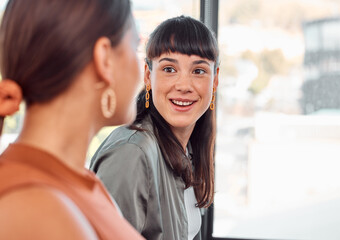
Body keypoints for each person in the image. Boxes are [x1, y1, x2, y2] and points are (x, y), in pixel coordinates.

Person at [0, 0, 144, 239]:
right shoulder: (40, 210)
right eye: (136, 46)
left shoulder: (80, 182)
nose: (141, 68)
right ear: (104, 58)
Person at [90, 15, 219, 240]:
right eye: (169, 69)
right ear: (149, 76)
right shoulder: (131, 153)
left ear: (215, 80)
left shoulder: (189, 149)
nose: (184, 86)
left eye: (198, 71)